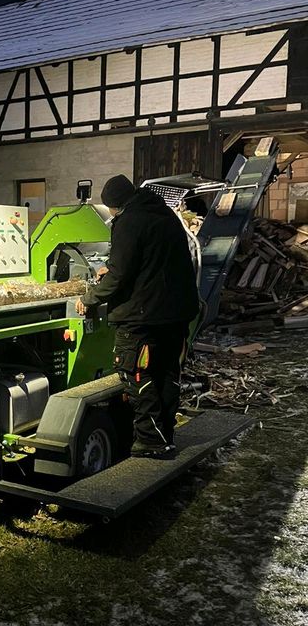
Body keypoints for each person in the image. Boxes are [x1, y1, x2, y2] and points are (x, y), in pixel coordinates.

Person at [75, 174, 199, 459]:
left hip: (143, 318)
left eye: (112, 210)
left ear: (115, 206)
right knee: (167, 375)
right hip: (176, 314)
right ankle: (164, 436)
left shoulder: (129, 220)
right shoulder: (163, 214)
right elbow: (149, 261)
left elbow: (120, 275)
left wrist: (90, 298)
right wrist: (112, 267)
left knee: (139, 378)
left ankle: (150, 443)